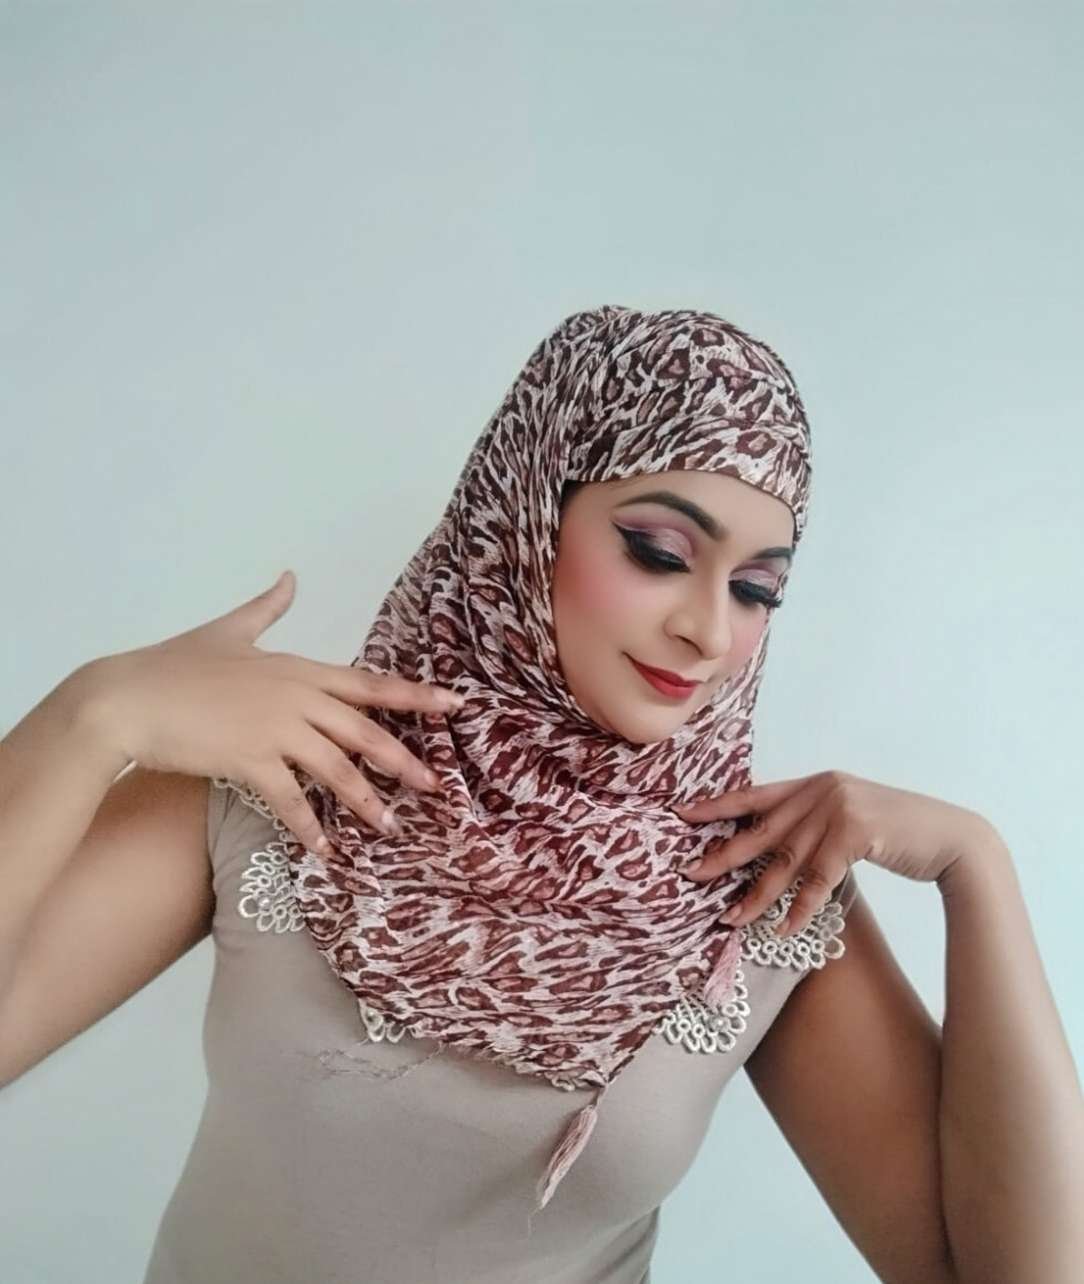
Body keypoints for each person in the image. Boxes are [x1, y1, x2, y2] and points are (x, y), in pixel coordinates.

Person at [2, 306, 1080, 1283]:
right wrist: (91, 717)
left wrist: (978, 867)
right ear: (525, 516)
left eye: (758, 589)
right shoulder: (290, 777)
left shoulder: (763, 890)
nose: (710, 630)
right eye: (659, 551)